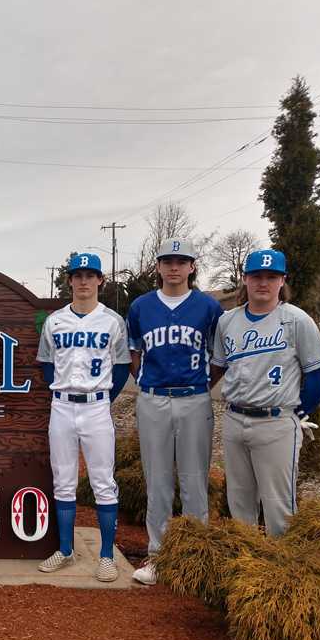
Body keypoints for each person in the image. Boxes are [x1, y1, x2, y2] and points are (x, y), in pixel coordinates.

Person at [211, 248, 320, 537]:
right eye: (257, 276)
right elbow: (218, 368)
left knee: (279, 507)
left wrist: (296, 413)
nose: (263, 283)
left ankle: (281, 564)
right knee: (239, 501)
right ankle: (247, 560)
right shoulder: (227, 321)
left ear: (282, 280)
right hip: (235, 418)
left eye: (271, 277)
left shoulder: (296, 320)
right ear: (245, 279)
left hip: (276, 421)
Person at [126, 238, 223, 586]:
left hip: (194, 398)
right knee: (158, 481)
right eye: (167, 261)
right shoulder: (141, 306)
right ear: (158, 266)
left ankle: (195, 558)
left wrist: (202, 386)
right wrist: (143, 379)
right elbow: (134, 351)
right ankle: (157, 555)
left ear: (192, 267)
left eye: (181, 261)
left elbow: (219, 357)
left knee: (194, 480)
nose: (174, 267)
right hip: (153, 398)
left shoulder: (209, 307)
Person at [36, 253, 131, 582]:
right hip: (62, 406)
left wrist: (102, 399)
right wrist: (61, 391)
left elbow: (122, 368)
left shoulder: (112, 321)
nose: (84, 281)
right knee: (63, 480)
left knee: (103, 482)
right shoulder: (55, 320)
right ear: (70, 281)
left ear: (100, 280)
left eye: (90, 275)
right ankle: (65, 549)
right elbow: (47, 365)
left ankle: (106, 556)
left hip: (96, 407)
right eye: (78, 275)